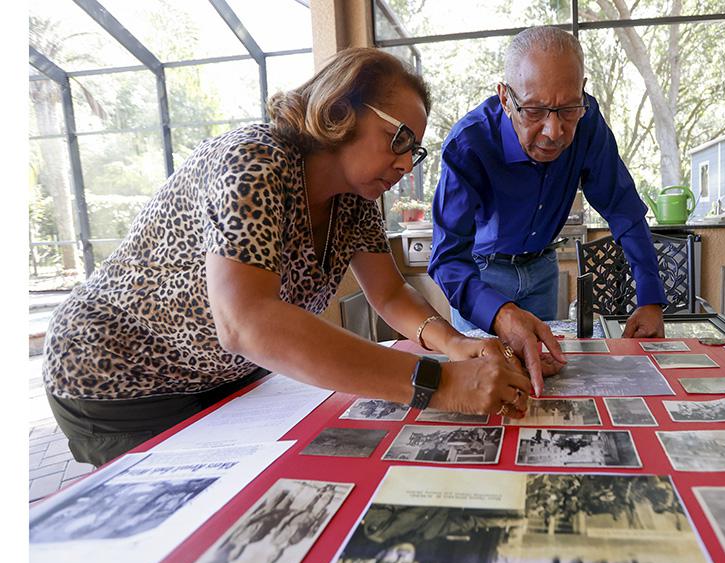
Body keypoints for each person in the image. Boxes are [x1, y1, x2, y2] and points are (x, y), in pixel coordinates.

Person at [43, 48, 532, 467]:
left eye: (415, 151)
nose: (406, 162)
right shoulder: (253, 159)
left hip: (222, 375)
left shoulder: (355, 200)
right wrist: (440, 383)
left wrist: (452, 343)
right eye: (400, 138)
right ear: (341, 109)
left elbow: (387, 293)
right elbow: (247, 323)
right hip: (117, 377)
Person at [428, 26, 668, 395]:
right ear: (505, 98)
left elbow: (623, 208)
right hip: (483, 278)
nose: (554, 132)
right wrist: (500, 313)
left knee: (550, 381)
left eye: (569, 109)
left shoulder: (588, 124)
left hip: (542, 268)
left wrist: (650, 298)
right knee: (490, 383)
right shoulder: (468, 144)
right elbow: (447, 259)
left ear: (582, 90)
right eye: (535, 111)